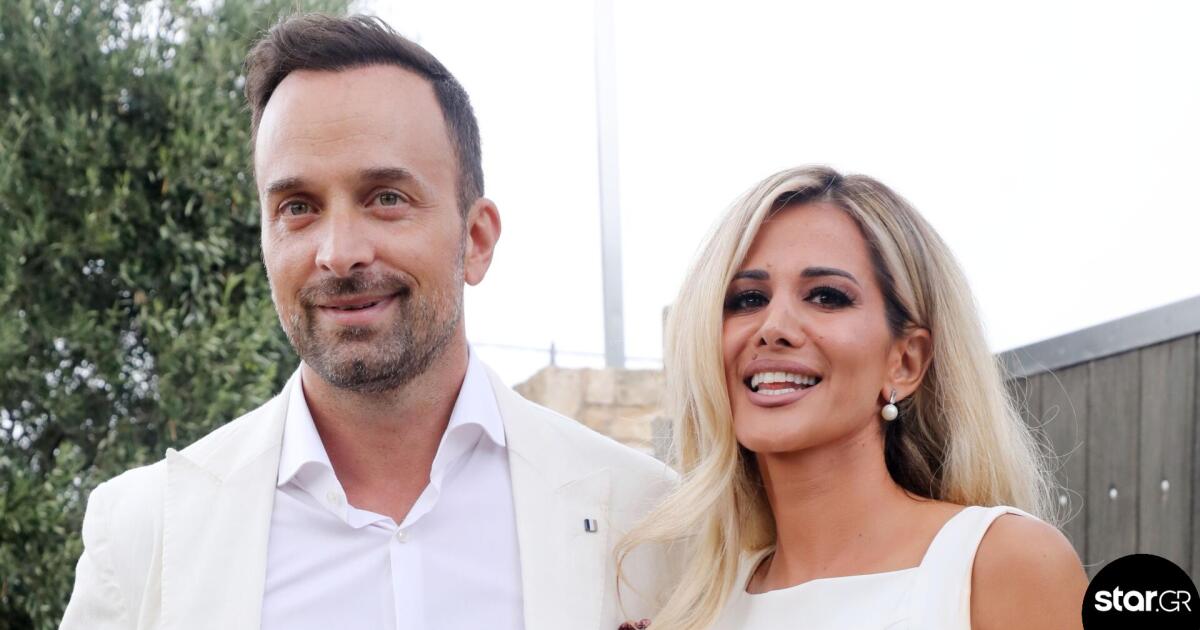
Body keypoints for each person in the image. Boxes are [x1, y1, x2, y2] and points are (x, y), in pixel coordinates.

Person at [61, 14, 675, 630]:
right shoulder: (144, 536)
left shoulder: (647, 522)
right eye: (297, 207)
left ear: (476, 239)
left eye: (386, 198)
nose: (339, 253)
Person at [617, 166, 1087, 630]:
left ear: (905, 361)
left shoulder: (999, 564)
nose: (774, 328)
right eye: (747, 299)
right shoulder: (694, 605)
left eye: (826, 296)